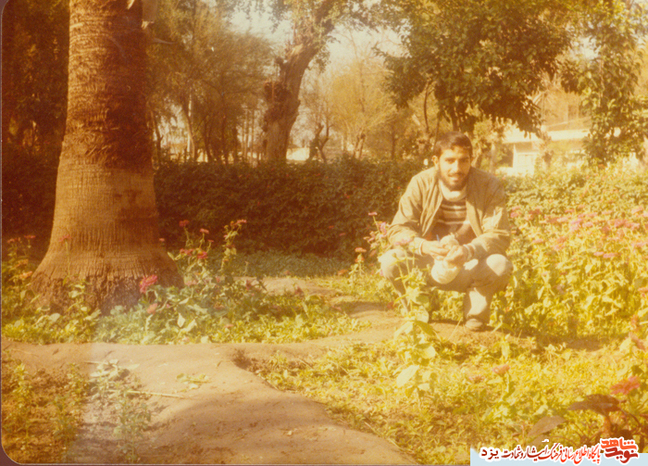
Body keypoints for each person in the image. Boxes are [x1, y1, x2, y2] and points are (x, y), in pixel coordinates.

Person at [380, 131, 512, 331]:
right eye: (449, 160)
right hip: (426, 263)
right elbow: (398, 229)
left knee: (499, 264)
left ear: (471, 160)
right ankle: (419, 311)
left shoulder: (489, 185)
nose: (456, 169)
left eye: (463, 160)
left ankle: (475, 317)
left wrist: (467, 251)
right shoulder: (420, 183)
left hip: (469, 264)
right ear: (436, 161)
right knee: (391, 261)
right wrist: (424, 246)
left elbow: (499, 234)